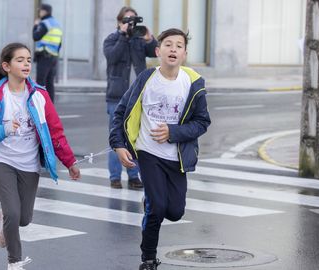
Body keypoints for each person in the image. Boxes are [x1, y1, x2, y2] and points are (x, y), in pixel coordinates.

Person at [0, 43, 80, 270]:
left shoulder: (39, 96)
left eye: (28, 59)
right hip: (3, 161)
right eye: (20, 60)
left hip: (29, 164)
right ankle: (14, 262)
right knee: (13, 212)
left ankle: (5, 220)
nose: (26, 64)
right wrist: (4, 129)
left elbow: (55, 131)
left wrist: (69, 162)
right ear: (6, 66)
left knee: (23, 219)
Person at [109, 28, 211, 270]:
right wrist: (118, 144)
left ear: (184, 54)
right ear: (158, 51)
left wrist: (173, 132)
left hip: (177, 157)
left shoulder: (193, 83)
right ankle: (148, 258)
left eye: (178, 45)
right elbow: (121, 113)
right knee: (157, 208)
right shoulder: (146, 79)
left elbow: (202, 122)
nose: (173, 48)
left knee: (175, 212)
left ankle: (152, 201)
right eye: (167, 44)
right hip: (148, 153)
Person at [103, 6, 157, 189]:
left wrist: (149, 38)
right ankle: (115, 177)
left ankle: (134, 176)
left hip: (138, 97)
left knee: (135, 137)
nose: (130, 24)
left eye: (133, 20)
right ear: (119, 22)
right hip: (116, 96)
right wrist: (122, 36)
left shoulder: (138, 39)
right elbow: (112, 57)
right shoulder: (112, 39)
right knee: (116, 136)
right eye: (126, 20)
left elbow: (154, 51)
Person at [33, 4, 62, 102]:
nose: (39, 13)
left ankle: (39, 104)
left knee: (40, 82)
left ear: (44, 11)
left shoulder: (44, 23)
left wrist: (36, 25)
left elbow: (36, 36)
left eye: (40, 11)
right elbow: (60, 43)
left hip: (44, 56)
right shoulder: (57, 24)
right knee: (50, 83)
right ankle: (50, 106)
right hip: (53, 57)